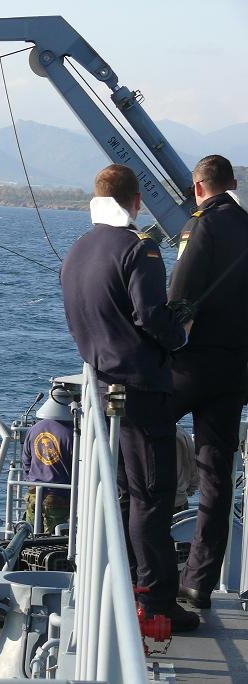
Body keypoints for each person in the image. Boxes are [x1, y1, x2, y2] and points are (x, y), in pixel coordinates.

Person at [60, 164, 198, 632]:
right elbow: (150, 317)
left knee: (120, 494)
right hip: (141, 392)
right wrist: (180, 333)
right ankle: (157, 600)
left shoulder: (78, 251)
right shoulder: (141, 251)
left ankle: (115, 587)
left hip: (102, 390)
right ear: (136, 202)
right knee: (153, 497)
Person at [168, 155, 248, 610]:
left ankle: (142, 560)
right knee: (218, 475)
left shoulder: (200, 226)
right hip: (235, 369)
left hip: (193, 365)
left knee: (140, 435)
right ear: (232, 184)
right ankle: (200, 581)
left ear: (198, 188)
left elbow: (180, 296)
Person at [22, 387, 74, 534]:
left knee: (30, 534)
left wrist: (31, 481)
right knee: (54, 537)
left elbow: (26, 460)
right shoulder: (72, 434)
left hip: (33, 493)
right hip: (59, 497)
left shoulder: (34, 429)